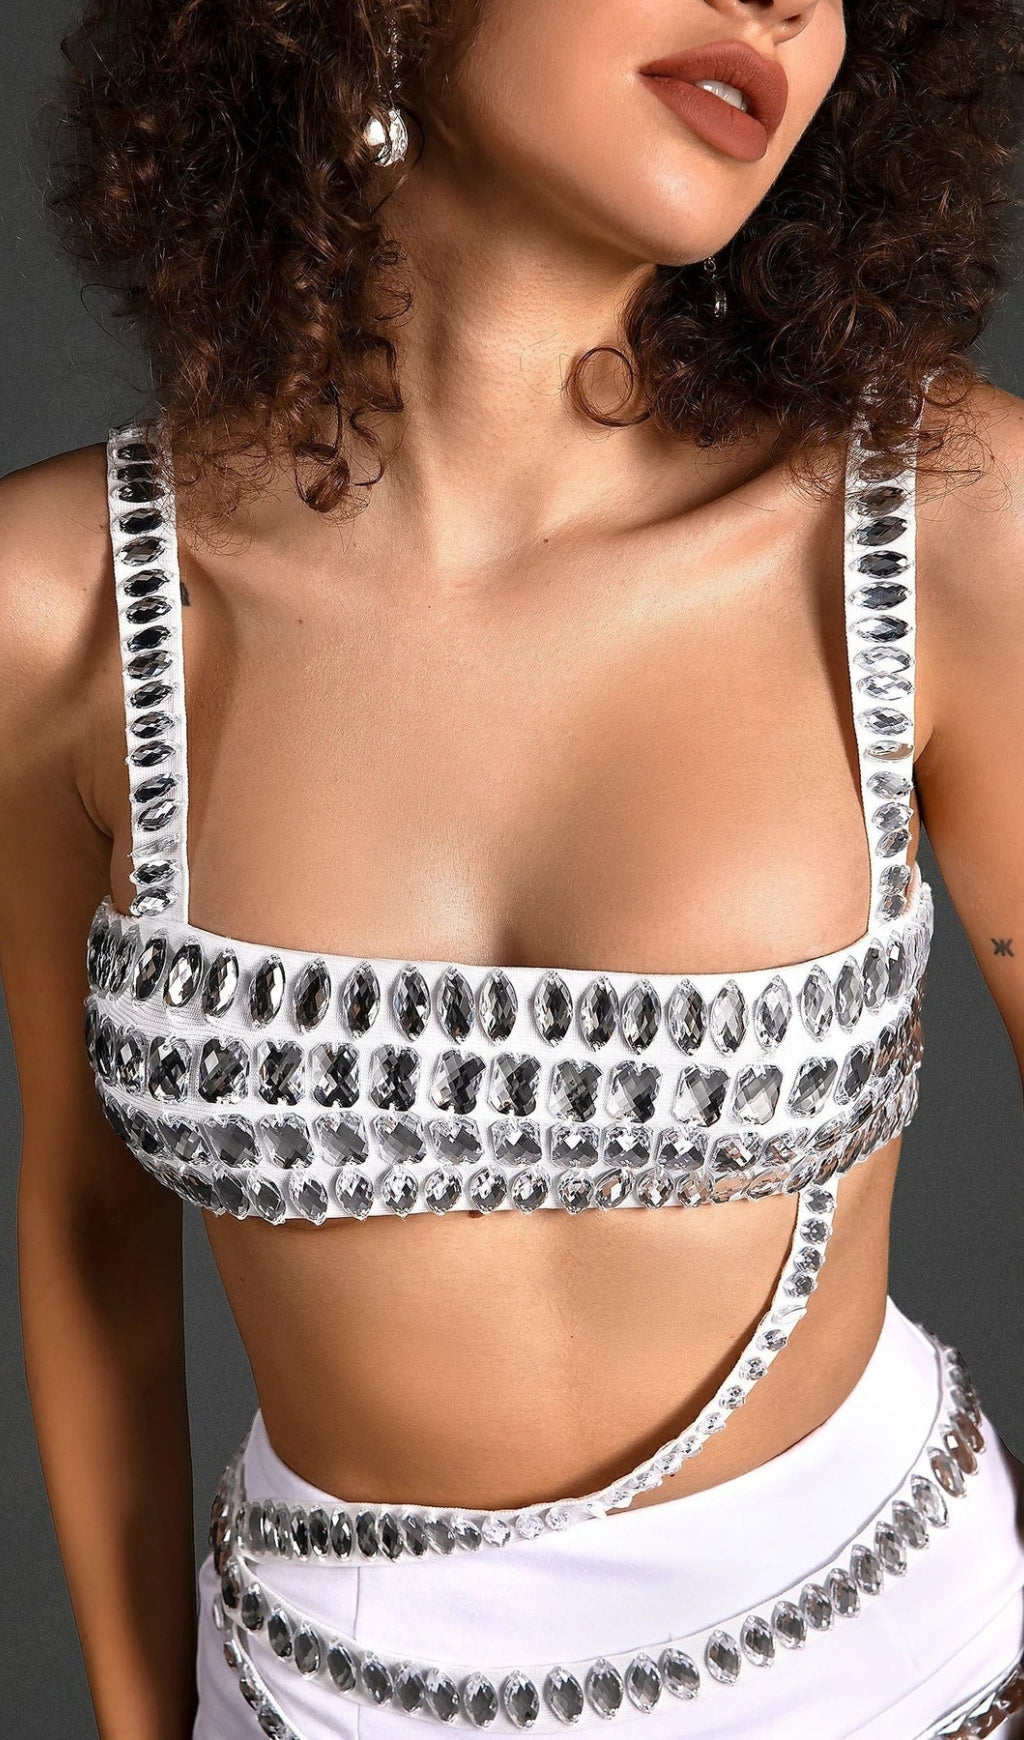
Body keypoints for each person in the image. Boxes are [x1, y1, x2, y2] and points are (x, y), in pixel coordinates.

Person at [5, 0, 1024, 1734]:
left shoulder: (945, 520)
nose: (784, 5)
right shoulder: (57, 610)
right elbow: (88, 1231)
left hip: (902, 1683)